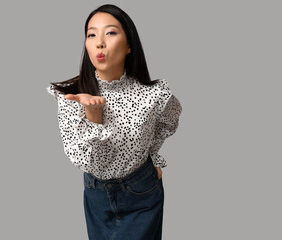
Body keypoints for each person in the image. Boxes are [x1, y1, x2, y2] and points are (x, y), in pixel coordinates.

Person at [46, 4, 182, 240]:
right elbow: (86, 162)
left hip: (142, 192)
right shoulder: (71, 95)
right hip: (96, 198)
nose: (99, 42)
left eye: (110, 33)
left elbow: (169, 120)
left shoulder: (154, 94)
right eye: (91, 34)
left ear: (129, 45)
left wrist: (154, 155)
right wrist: (93, 117)